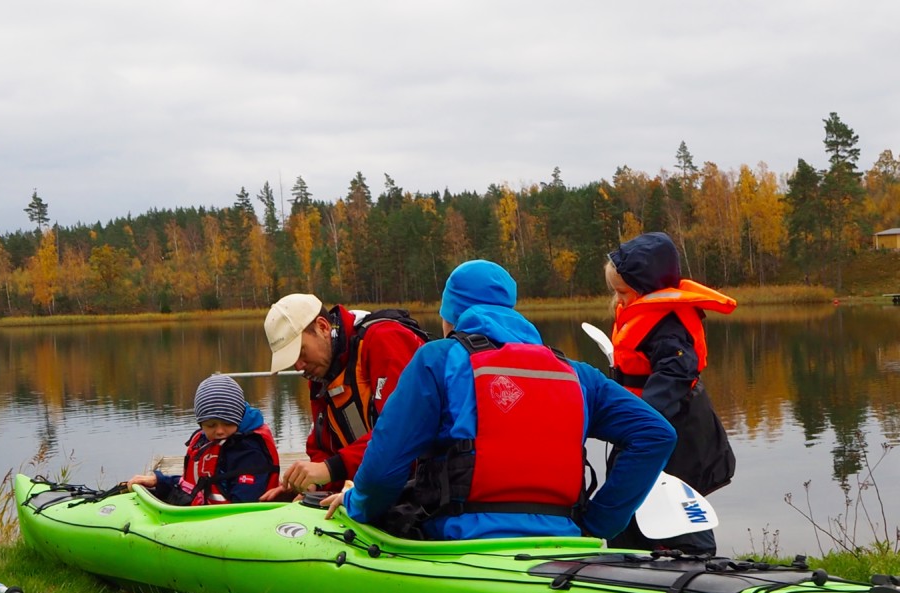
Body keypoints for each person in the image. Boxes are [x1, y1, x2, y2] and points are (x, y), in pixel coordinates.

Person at [321, 259, 677, 542]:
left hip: (462, 541)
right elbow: (656, 435)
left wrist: (356, 505)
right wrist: (599, 523)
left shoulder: (438, 359)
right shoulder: (577, 373)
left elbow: (383, 472)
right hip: (562, 540)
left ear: (451, 315)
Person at [603, 231, 736, 555]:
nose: (619, 301)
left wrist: (640, 418)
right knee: (632, 499)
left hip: (676, 427)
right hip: (652, 423)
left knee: (675, 503)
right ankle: (628, 561)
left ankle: (697, 570)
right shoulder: (645, 315)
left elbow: (677, 371)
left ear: (647, 288)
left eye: (623, 292)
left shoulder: (669, 325)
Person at [259, 293, 428, 500]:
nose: (299, 367)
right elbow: (323, 448)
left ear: (323, 327)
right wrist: (311, 485)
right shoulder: (321, 372)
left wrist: (329, 469)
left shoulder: (384, 338)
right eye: (292, 361)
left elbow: (404, 432)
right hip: (379, 491)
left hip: (425, 489)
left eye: (301, 352)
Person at [128, 373, 280, 505]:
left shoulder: (249, 451)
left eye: (227, 423)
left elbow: (245, 503)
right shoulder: (205, 442)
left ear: (239, 418)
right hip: (207, 516)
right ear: (201, 424)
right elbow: (194, 485)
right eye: (211, 425)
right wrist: (160, 481)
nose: (219, 431)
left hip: (235, 523)